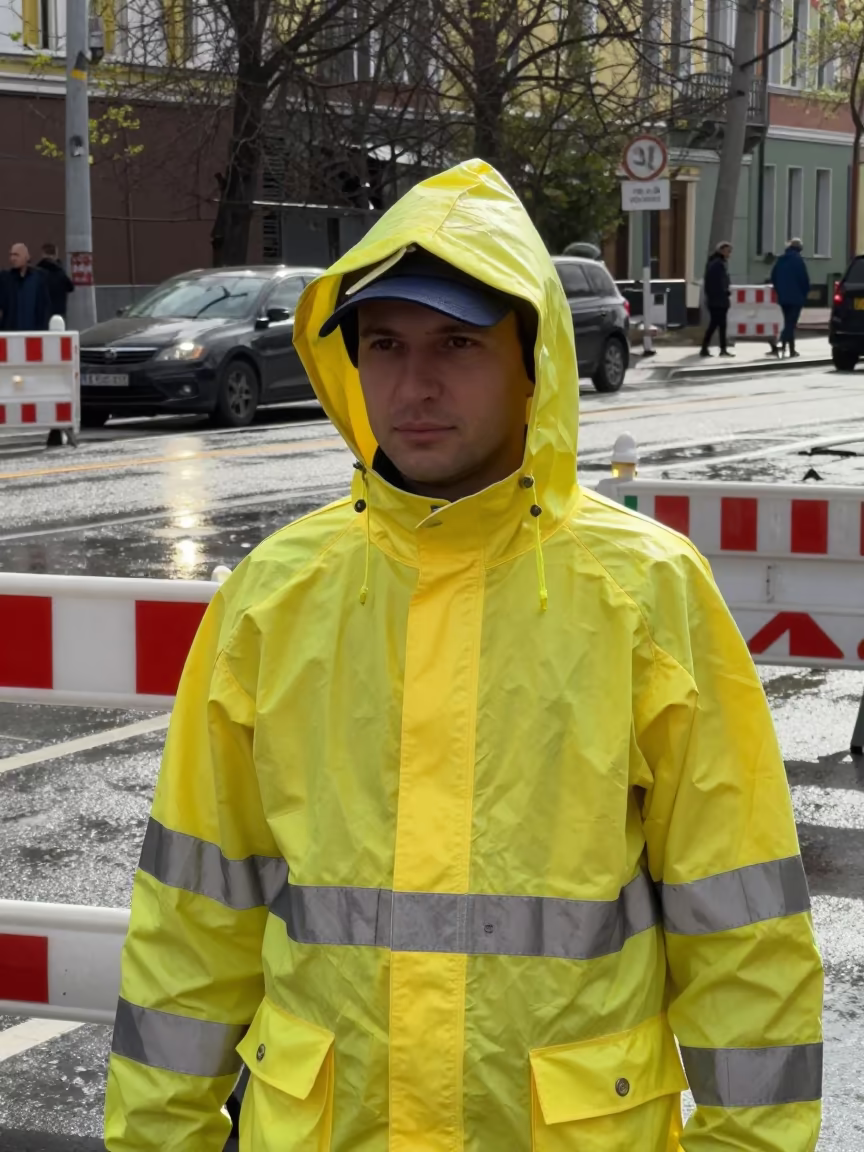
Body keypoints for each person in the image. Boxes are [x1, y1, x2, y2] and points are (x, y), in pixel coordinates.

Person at [104, 161, 823, 1152]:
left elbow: (745, 938)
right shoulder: (275, 596)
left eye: (458, 343)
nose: (416, 383)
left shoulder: (644, 595)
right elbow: (191, 924)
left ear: (534, 360)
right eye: (386, 344)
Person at [770, 238, 810, 358]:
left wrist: (779, 290)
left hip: (783, 297)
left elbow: (773, 277)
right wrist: (805, 293)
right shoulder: (799, 261)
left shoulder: (781, 260)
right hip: (796, 297)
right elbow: (804, 280)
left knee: (788, 322)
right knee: (791, 323)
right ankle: (781, 343)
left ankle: (790, 349)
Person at [0, 243, 52, 331]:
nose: (13, 258)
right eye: (11, 255)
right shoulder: (5, 279)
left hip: (34, 332)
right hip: (11, 332)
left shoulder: (39, 278)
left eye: (16, 255)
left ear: (26, 257)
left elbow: (45, 306)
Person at [700, 240, 733, 357]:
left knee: (719, 325)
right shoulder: (717, 264)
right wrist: (725, 292)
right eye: (728, 251)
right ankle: (706, 348)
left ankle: (720, 349)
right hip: (718, 300)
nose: (729, 254)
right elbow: (717, 283)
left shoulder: (715, 263)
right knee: (715, 325)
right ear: (722, 251)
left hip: (717, 300)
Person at [36, 242, 75, 320]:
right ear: (55, 255)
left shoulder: (37, 271)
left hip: (42, 311)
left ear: (43, 254)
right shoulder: (60, 272)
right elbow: (70, 287)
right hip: (59, 311)